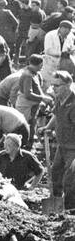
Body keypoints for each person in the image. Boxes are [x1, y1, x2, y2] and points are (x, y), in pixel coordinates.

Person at [47, 69, 75, 212]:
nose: (53, 88)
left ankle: (71, 210)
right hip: (62, 145)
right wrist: (47, 127)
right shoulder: (59, 99)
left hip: (73, 148)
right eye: (53, 85)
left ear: (67, 85)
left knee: (70, 179)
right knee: (55, 173)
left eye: (57, 86)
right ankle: (57, 207)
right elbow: (56, 114)